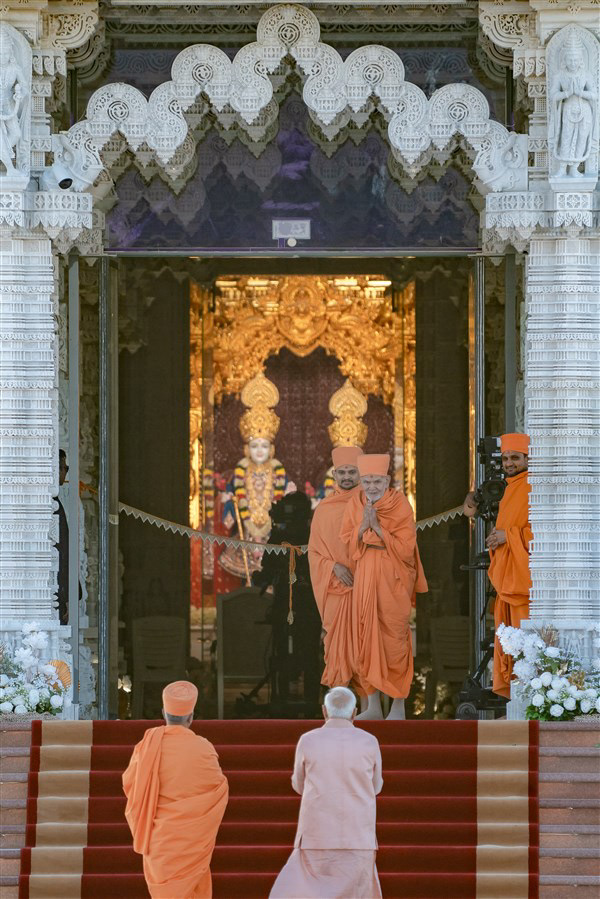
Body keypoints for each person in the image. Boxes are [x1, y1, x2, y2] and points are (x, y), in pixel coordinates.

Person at [269, 686, 383, 899]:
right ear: (354, 712)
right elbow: (376, 787)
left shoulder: (308, 740)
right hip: (358, 834)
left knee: (312, 892)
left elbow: (298, 785)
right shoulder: (369, 741)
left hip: (317, 833)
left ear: (324, 711)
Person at [341, 453, 427, 720]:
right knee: (366, 638)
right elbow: (347, 540)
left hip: (393, 581)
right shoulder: (355, 502)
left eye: (377, 481)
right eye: (367, 481)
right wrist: (362, 529)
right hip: (365, 576)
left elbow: (405, 547)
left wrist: (376, 529)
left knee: (395, 641)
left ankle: (398, 707)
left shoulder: (400, 504)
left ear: (388, 480)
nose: (372, 487)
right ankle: (373, 707)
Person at [122, 681, 228, 898]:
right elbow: (218, 791)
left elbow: (130, 784)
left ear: (163, 713)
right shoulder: (203, 748)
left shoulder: (146, 746)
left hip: (159, 839)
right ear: (191, 717)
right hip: (192, 840)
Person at [464, 433, 532, 697]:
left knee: (527, 642)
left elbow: (544, 534)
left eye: (515, 458)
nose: (509, 463)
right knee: (510, 643)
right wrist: (499, 536)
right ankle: (517, 701)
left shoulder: (532, 486)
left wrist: (508, 536)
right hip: (507, 578)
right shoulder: (508, 487)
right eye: (505, 459)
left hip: (524, 583)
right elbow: (475, 512)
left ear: (528, 458)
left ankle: (529, 701)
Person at [252, 491, 322, 716]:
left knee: (308, 653)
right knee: (289, 653)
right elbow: (268, 568)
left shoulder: (314, 537)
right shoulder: (280, 536)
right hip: (289, 604)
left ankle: (306, 701)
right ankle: (289, 700)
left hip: (308, 604)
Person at [308, 445, 363, 688]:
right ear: (334, 475)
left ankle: (369, 710)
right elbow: (314, 552)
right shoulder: (323, 510)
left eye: (352, 471)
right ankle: (339, 708)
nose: (347, 477)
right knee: (336, 647)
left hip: (364, 586)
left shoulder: (370, 504)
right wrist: (334, 568)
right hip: (335, 588)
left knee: (364, 647)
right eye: (342, 472)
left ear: (361, 473)